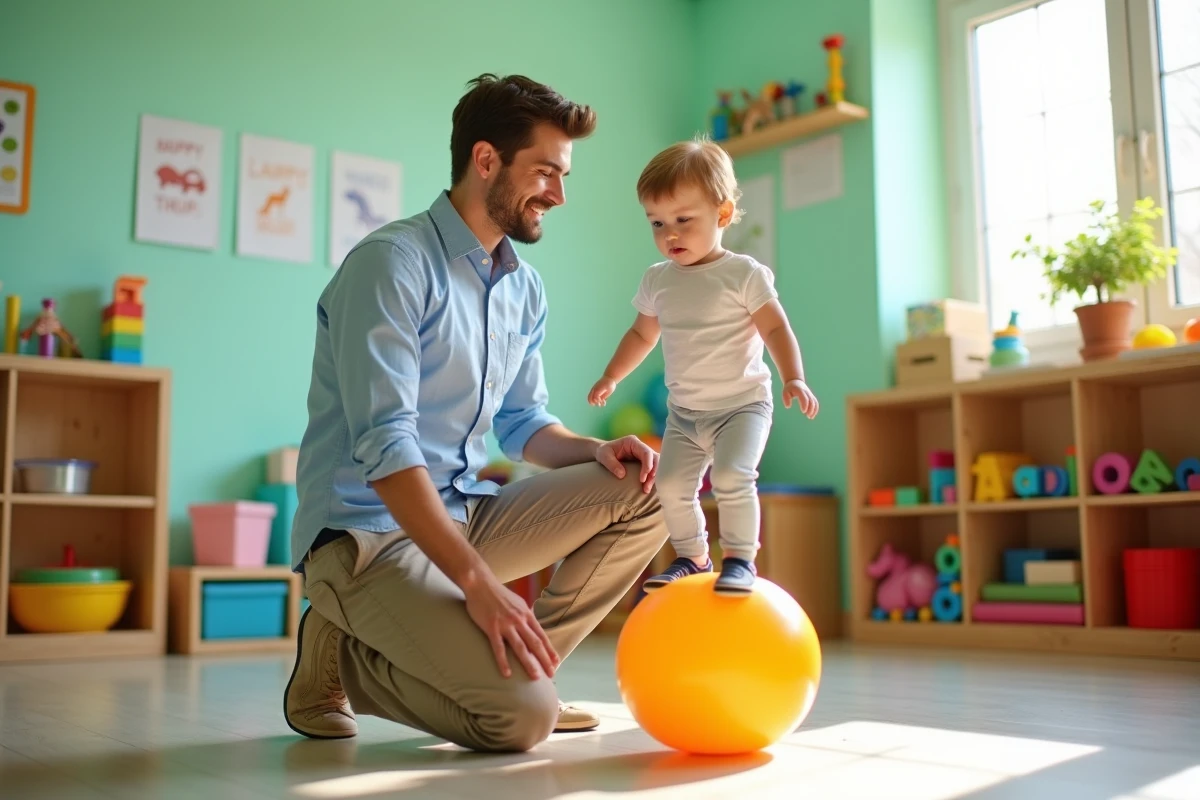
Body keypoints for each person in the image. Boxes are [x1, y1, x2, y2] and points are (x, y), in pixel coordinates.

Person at [283, 74, 667, 754]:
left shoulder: (523, 285)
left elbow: (524, 426)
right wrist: (478, 583)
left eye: (563, 174)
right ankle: (339, 652)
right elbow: (387, 449)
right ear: (486, 160)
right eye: (545, 172)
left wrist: (596, 451)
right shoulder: (392, 265)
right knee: (519, 724)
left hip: (467, 514)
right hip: (366, 537)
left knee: (651, 486)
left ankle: (526, 670)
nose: (559, 194)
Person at [588, 136, 818, 595]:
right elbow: (641, 335)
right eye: (657, 223)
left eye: (683, 220)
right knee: (671, 486)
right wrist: (612, 376)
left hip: (742, 407)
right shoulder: (658, 281)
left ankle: (740, 560)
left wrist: (794, 377)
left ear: (724, 214)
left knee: (733, 476)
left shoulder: (743, 274)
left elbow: (776, 329)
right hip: (686, 415)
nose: (669, 234)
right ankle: (693, 557)